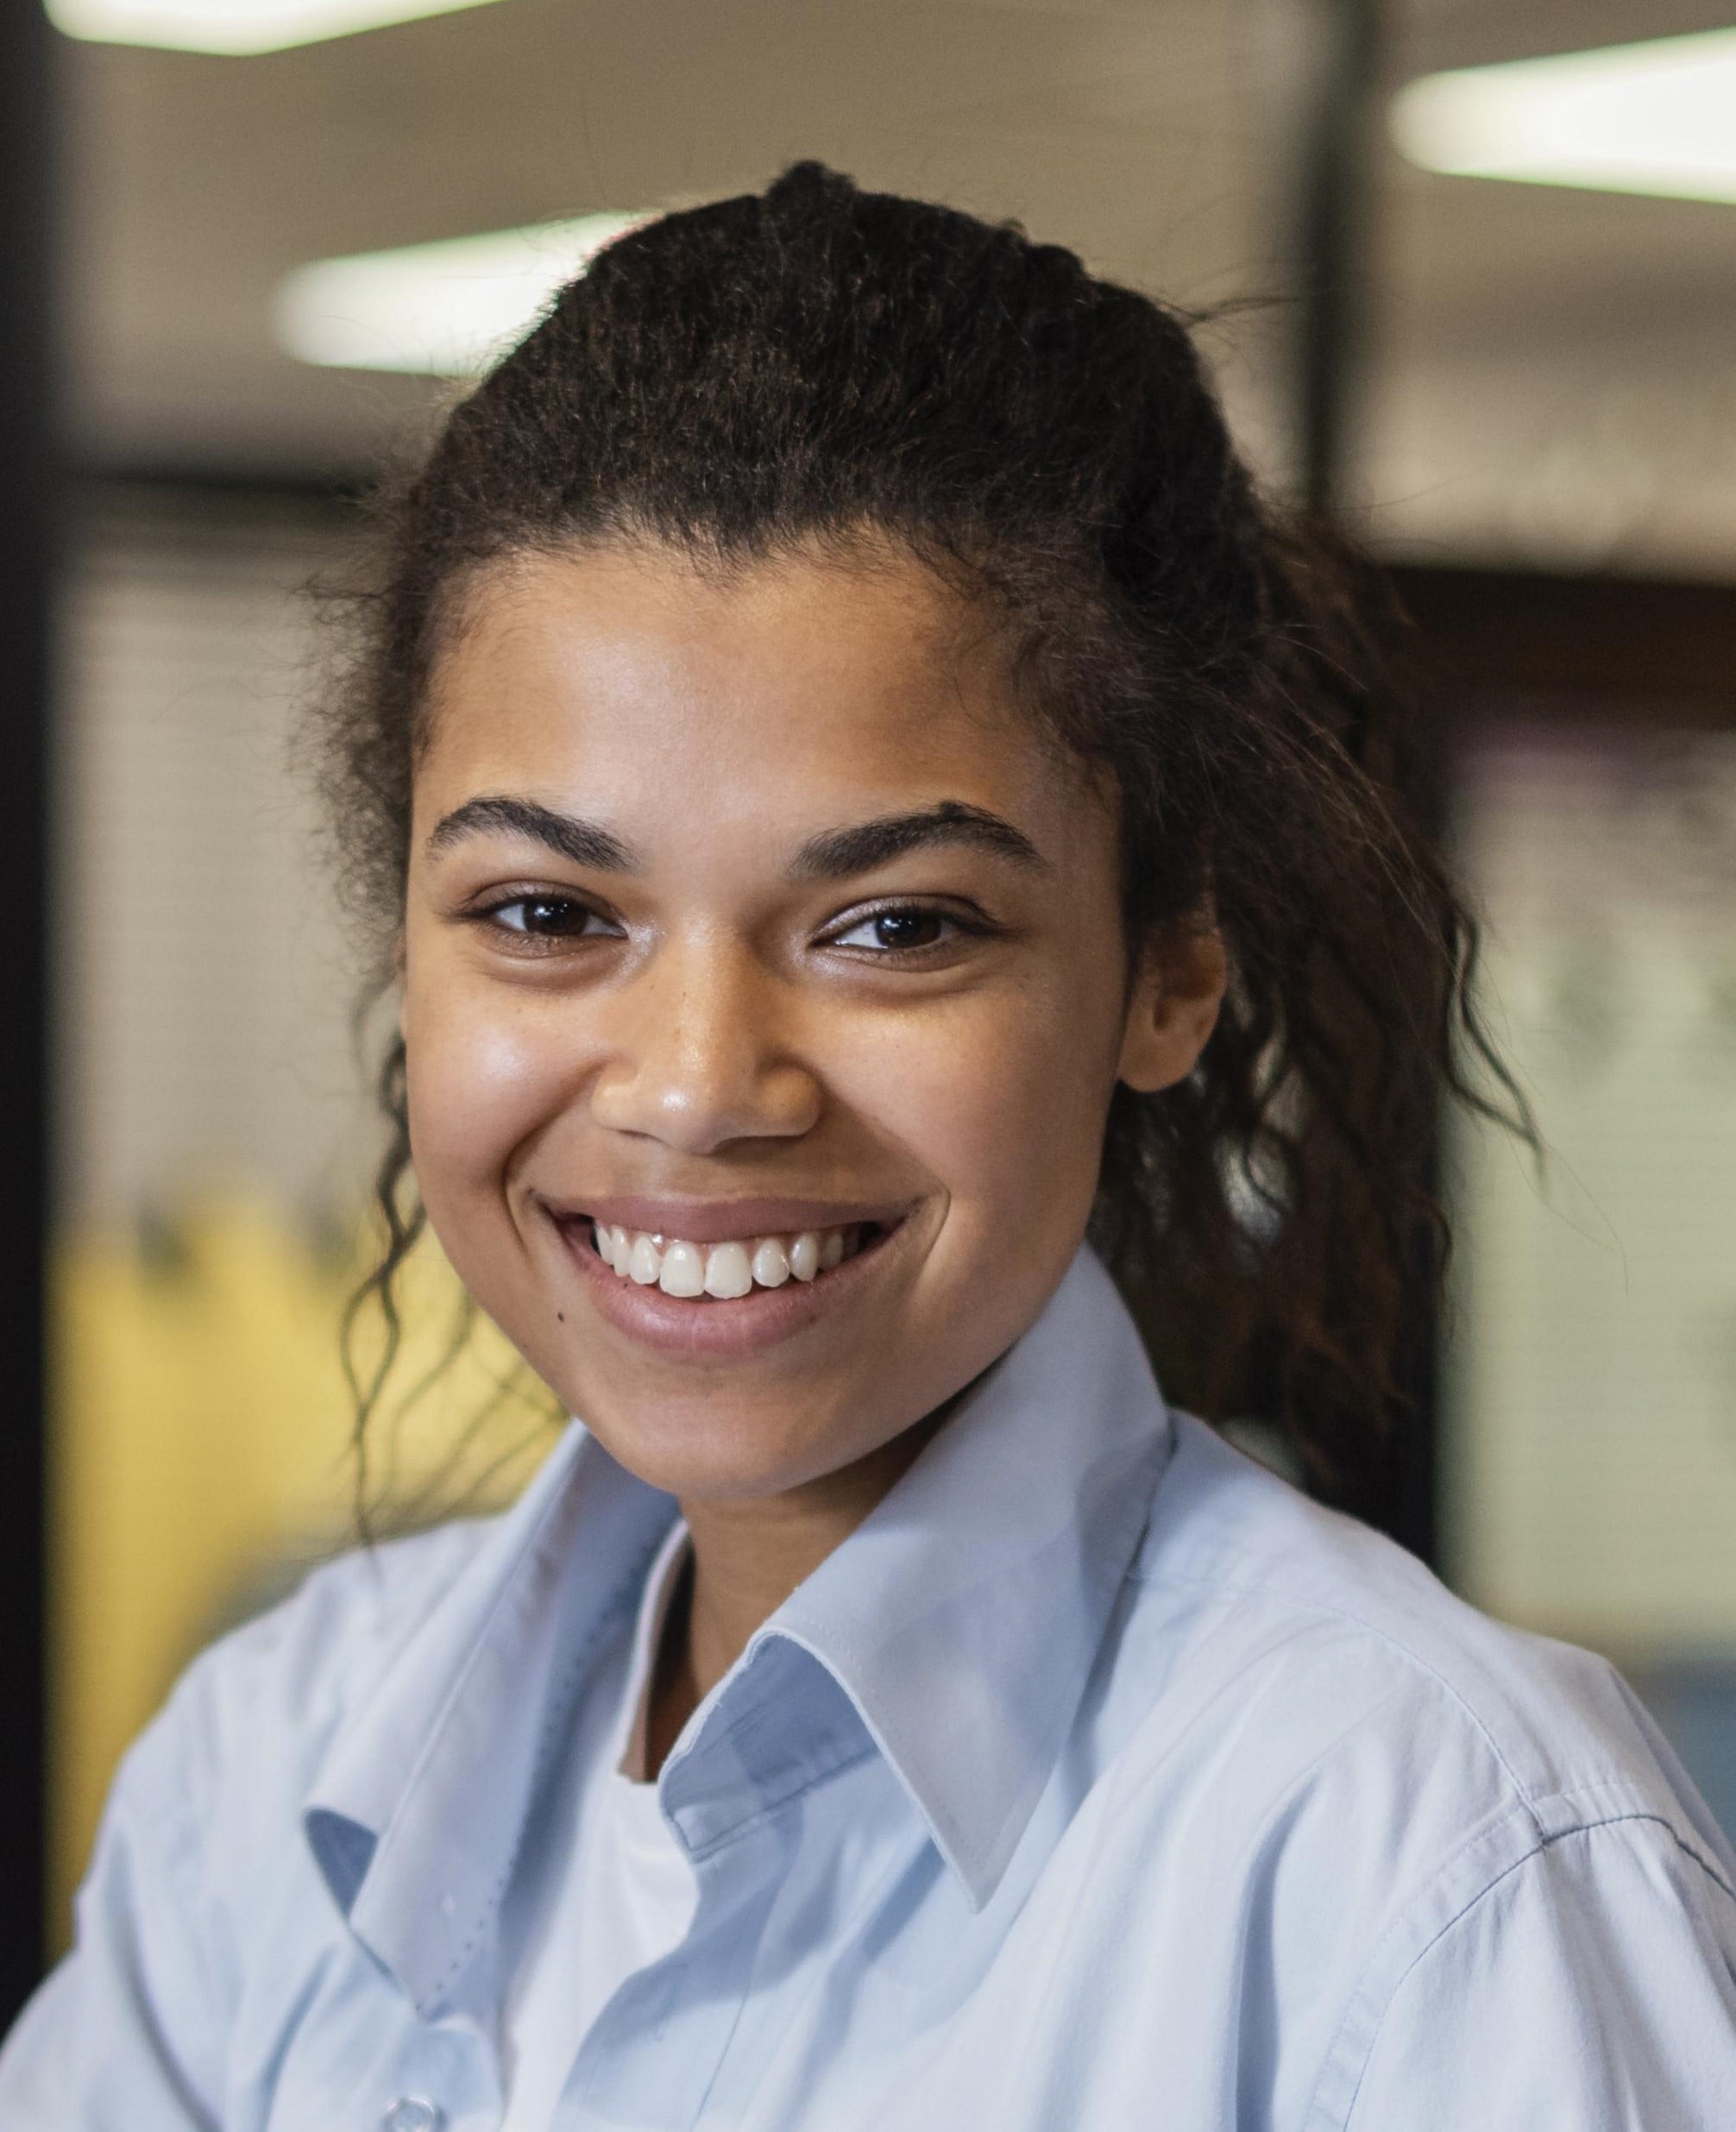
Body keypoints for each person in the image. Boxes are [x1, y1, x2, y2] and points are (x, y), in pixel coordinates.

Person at [4, 161, 1733, 2131]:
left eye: (893, 926)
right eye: (550, 916)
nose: (698, 1082)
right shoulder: (268, 1774)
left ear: (1168, 971)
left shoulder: (1424, 1865)